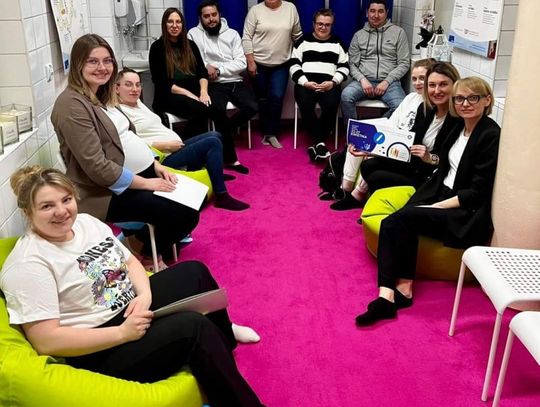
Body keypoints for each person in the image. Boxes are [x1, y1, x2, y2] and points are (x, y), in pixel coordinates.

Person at [0, 166, 263, 406]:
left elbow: (129, 261)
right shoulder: (29, 263)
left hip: (129, 307)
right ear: (28, 212)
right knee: (193, 327)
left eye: (66, 200)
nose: (61, 211)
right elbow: (46, 340)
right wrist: (122, 334)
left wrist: (145, 295)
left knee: (195, 272)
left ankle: (223, 345)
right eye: (47, 206)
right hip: (98, 346)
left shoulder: (86, 223)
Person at [355, 77, 500, 327]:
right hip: (439, 191)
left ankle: (385, 297)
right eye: (460, 98)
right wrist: (371, 150)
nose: (465, 103)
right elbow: (436, 161)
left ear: (487, 100)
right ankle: (402, 289)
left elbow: (476, 193)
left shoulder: (490, 134)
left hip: (464, 210)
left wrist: (436, 207)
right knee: (397, 220)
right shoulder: (459, 127)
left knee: (397, 220)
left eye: (473, 98)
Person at [51, 34, 199, 271]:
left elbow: (128, 138)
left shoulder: (99, 95)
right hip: (102, 193)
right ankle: (138, 248)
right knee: (184, 213)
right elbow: (97, 167)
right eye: (93, 61)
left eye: (107, 60)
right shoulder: (71, 105)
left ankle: (139, 245)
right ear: (78, 64)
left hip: (128, 178)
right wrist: (147, 183)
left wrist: (155, 166)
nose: (102, 67)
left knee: (191, 200)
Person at [116, 68, 249, 211]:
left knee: (215, 135)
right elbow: (131, 144)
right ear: (116, 88)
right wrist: (165, 145)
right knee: (212, 142)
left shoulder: (137, 103)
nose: (135, 89)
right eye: (128, 85)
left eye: (138, 85)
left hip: (173, 149)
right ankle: (222, 196)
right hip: (162, 158)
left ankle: (214, 173)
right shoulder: (119, 112)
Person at [334, 61, 462, 210]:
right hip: (413, 163)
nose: (436, 90)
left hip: (430, 174)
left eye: (443, 85)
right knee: (368, 165)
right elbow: (409, 144)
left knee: (377, 176)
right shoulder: (425, 108)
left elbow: (450, 160)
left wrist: (430, 158)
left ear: (455, 85)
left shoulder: (457, 119)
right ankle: (367, 199)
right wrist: (370, 151)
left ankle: (382, 208)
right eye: (432, 85)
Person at [188, 0, 258, 174]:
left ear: (219, 15)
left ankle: (228, 128)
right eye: (206, 16)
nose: (211, 19)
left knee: (252, 107)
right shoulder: (193, 34)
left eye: (214, 15)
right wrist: (206, 67)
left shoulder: (232, 34)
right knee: (217, 111)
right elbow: (194, 60)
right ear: (200, 18)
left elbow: (241, 62)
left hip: (235, 80)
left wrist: (218, 69)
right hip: (213, 84)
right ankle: (232, 160)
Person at [149, 8, 223, 147]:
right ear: (164, 24)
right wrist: (191, 95)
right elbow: (161, 82)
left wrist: (203, 92)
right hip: (169, 95)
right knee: (202, 111)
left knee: (218, 108)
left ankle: (228, 155)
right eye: (170, 22)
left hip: (194, 92)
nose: (174, 25)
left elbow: (202, 72)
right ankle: (188, 147)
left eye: (178, 22)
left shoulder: (191, 45)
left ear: (183, 24)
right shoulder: (157, 48)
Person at [289, 8, 349, 162]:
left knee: (331, 104)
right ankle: (320, 143)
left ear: (332, 25)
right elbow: (294, 65)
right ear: (313, 24)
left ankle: (317, 144)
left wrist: (333, 82)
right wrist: (305, 82)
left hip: (329, 84)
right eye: (320, 24)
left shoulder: (338, 43)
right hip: (306, 83)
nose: (323, 27)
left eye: (327, 25)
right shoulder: (303, 41)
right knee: (305, 104)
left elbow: (344, 67)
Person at [242, 0, 302, 148]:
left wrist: (304, 56)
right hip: (258, 63)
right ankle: (266, 132)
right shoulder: (255, 10)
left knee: (276, 97)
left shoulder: (290, 8)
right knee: (262, 99)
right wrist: (250, 61)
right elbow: (247, 37)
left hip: (282, 64)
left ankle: (272, 133)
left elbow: (297, 35)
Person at [340, 0, 410, 128]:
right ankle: (354, 132)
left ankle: (375, 130)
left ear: (387, 13)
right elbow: (352, 64)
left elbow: (404, 63)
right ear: (367, 13)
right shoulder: (359, 35)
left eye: (380, 11)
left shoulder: (399, 33)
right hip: (364, 81)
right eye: (372, 11)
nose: (376, 15)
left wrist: (387, 81)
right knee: (346, 96)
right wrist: (362, 80)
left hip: (390, 83)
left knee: (401, 106)